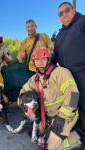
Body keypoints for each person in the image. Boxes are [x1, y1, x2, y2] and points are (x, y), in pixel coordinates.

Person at [18, 47, 81, 150]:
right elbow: (23, 91)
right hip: (47, 117)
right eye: (37, 60)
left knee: (52, 147)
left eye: (43, 58)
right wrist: (22, 104)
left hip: (64, 116)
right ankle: (53, 133)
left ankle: (77, 137)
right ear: (34, 62)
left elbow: (73, 94)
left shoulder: (60, 72)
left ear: (49, 59)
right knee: (34, 134)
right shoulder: (34, 79)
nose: (40, 62)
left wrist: (62, 116)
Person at [51, 2, 85, 149]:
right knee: (73, 106)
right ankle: (78, 133)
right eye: (60, 13)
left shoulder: (83, 22)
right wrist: (43, 61)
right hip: (67, 78)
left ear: (73, 10)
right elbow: (55, 57)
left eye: (67, 10)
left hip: (82, 74)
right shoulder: (59, 35)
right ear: (59, 18)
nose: (64, 14)